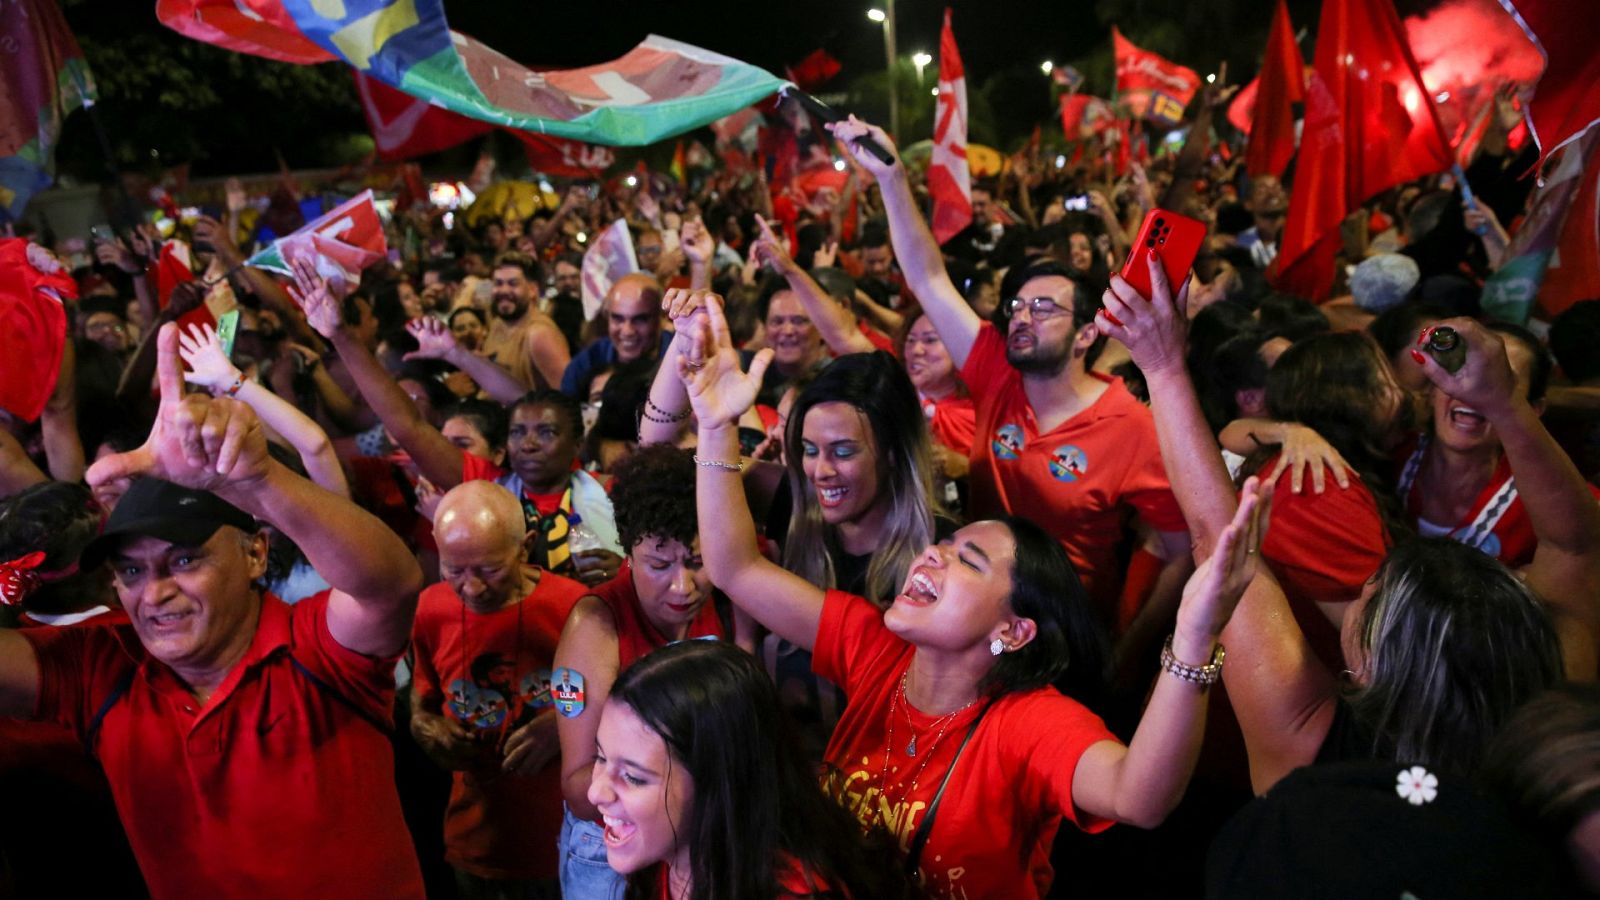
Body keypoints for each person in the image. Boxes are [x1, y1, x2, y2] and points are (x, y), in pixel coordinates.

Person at [678, 295, 1272, 898]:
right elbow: (733, 567)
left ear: (1013, 630)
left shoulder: (1026, 723)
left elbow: (1138, 797)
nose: (933, 552)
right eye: (945, 545)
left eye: (968, 559)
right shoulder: (873, 647)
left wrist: (1195, 639)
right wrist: (715, 423)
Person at [1097, 258, 1600, 795]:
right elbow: (1575, 546)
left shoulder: (1312, 745)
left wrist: (1164, 366)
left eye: (1373, 597)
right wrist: (1503, 403)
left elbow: (1218, 536)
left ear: (1362, 669)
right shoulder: (1546, 727)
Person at [0, 323, 427, 898]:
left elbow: (391, 587)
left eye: (182, 561)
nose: (153, 595)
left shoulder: (314, 646)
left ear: (255, 553)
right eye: (131, 571)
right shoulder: (103, 670)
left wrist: (258, 479)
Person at [828, 115, 1193, 621]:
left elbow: (1178, 551)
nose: (1023, 317)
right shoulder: (995, 371)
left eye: (1044, 309)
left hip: (1070, 635)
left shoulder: (1134, 428)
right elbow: (929, 278)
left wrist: (1131, 655)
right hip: (973, 618)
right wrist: (890, 177)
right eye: (1017, 307)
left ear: (1087, 334)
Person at [292, 262, 623, 583]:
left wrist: (626, 571)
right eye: (517, 432)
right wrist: (341, 336)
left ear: (577, 444)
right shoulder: (488, 488)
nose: (529, 443)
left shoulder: (607, 490)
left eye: (547, 432)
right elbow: (409, 426)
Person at [552, 444, 745, 900]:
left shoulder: (732, 596)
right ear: (629, 554)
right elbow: (581, 788)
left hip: (699, 841)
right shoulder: (594, 628)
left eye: (698, 562)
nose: (683, 585)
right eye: (659, 565)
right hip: (609, 844)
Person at [590, 639, 901, 900]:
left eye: (633, 777)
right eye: (600, 757)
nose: (595, 792)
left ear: (720, 783)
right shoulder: (661, 858)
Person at [409, 481, 588, 897]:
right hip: (474, 839)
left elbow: (607, 693)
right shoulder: (430, 610)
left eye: (490, 570)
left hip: (563, 842)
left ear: (525, 547)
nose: (471, 588)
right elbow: (424, 695)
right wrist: (422, 723)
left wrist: (560, 721)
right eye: (454, 570)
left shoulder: (572, 606)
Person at [559, 273, 672, 397]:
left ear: (662, 318)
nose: (627, 331)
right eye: (618, 319)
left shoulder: (680, 359)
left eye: (640, 319)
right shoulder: (588, 362)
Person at [479, 252, 570, 390]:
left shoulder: (539, 334)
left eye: (513, 284)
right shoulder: (497, 323)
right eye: (498, 283)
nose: (504, 290)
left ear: (533, 290)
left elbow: (567, 396)